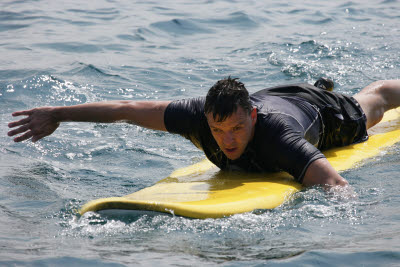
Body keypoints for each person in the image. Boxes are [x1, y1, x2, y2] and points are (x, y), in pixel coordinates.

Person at [7, 78, 400, 188]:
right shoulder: (198, 116)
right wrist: (57, 113)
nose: (226, 140)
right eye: (218, 130)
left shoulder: (278, 139)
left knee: (374, 102)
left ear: (252, 117)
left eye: (236, 130)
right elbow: (125, 111)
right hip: (272, 96)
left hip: (321, 112)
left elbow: (335, 184)